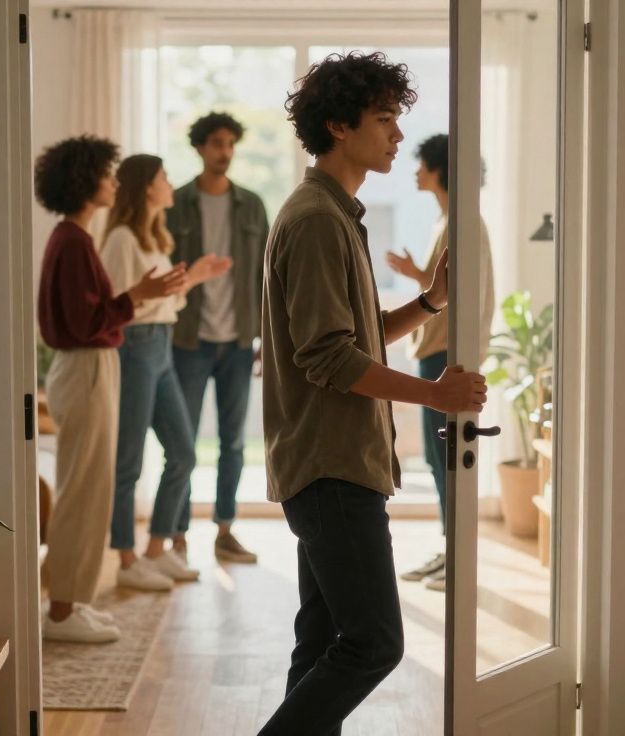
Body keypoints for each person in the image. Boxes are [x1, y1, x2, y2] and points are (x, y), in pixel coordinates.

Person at [258, 52, 488, 734]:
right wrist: (435, 395)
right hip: (330, 466)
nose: (397, 134)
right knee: (374, 644)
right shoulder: (315, 219)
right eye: (384, 119)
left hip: (332, 463)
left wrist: (429, 301)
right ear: (339, 125)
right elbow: (329, 357)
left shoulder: (333, 212)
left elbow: (354, 337)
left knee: (322, 645)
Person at [35, 136, 187, 643]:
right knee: (82, 492)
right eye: (106, 173)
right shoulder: (73, 241)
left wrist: (137, 296)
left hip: (90, 365)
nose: (113, 182)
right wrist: (137, 295)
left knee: (89, 489)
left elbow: (87, 316)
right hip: (86, 366)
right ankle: (61, 612)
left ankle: (71, 603)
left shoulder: (74, 238)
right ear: (85, 181)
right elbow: (86, 322)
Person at [101, 154, 233, 592]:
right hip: (135, 347)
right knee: (129, 461)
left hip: (160, 345)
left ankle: (156, 550)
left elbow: (163, 300)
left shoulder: (155, 239)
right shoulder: (121, 239)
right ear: (146, 186)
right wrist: (171, 288)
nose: (170, 183)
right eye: (164, 176)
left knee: (183, 453)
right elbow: (119, 305)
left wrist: (193, 278)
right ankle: (126, 558)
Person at [387, 133, 495, 592]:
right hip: (435, 348)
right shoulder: (448, 221)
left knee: (449, 459)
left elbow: (469, 297)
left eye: (421, 164)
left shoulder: (462, 223)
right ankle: (450, 549)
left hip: (445, 353)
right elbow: (446, 289)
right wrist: (418, 276)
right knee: (438, 459)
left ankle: (457, 557)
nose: (415, 170)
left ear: (438, 169)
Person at [165, 111, 270, 565]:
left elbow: (269, 276)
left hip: (239, 341)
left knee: (233, 442)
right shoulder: (176, 204)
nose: (225, 152)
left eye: (230, 144)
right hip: (187, 340)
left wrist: (266, 337)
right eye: (217, 144)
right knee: (182, 443)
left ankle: (225, 530)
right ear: (200, 147)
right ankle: (176, 534)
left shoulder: (252, 205)